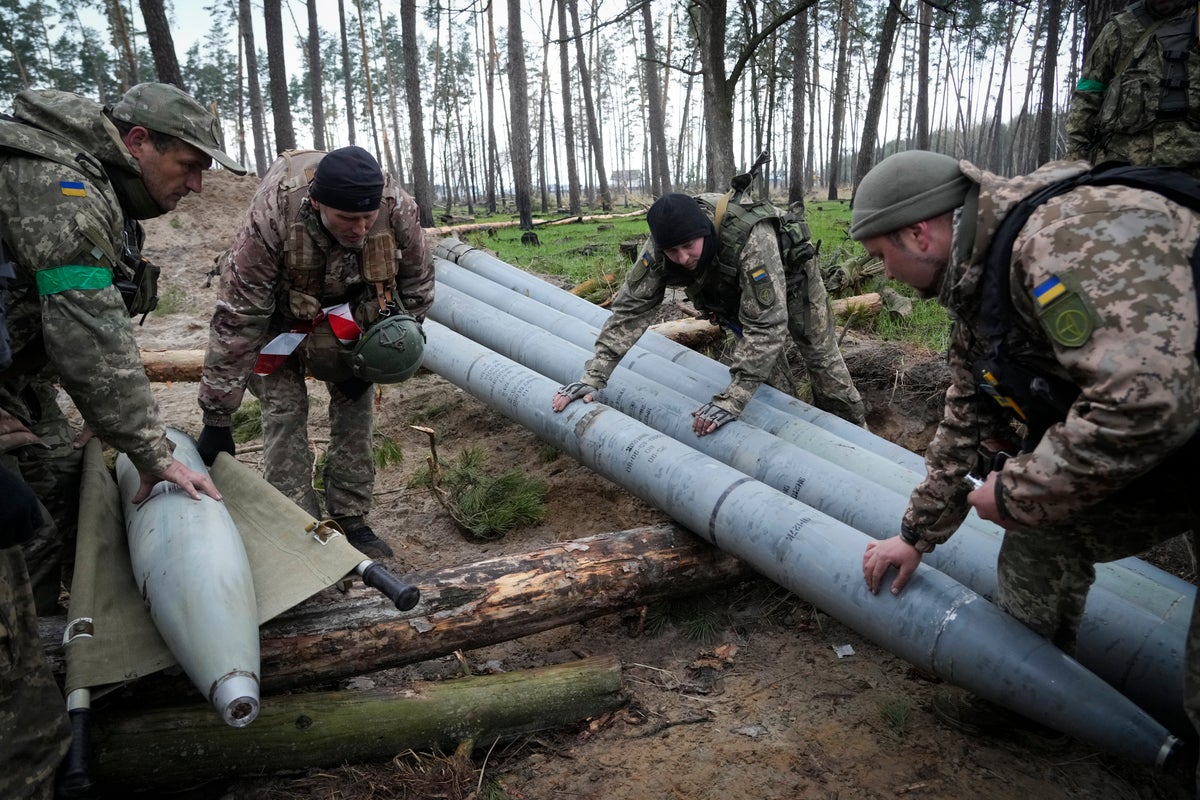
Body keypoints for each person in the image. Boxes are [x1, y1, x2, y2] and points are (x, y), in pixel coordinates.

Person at [849, 150, 1200, 762]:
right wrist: (915, 535)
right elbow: (969, 410)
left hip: (1174, 424)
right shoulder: (978, 276)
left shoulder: (1059, 240)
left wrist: (1018, 491)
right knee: (1045, 534)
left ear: (919, 231)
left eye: (882, 257)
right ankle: (1034, 708)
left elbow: (1146, 402)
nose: (884, 275)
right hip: (1182, 436)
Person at [0, 82, 238, 798]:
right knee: (17, 514)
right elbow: (89, 332)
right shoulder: (62, 185)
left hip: (19, 375)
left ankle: (44, 631)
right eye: (187, 166)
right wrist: (154, 453)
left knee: (49, 483)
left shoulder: (81, 176)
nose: (195, 186)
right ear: (137, 142)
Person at [196, 146, 434, 559]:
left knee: (356, 406)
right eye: (347, 218)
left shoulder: (395, 206)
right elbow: (239, 317)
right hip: (279, 318)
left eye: (367, 217)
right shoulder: (274, 213)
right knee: (284, 412)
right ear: (318, 202)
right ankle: (297, 524)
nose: (360, 229)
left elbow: (418, 287)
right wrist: (217, 416)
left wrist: (389, 345)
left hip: (353, 315)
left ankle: (351, 517)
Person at [551, 192, 866, 434]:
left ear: (704, 231)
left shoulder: (750, 237)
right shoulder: (662, 248)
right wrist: (595, 375)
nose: (683, 258)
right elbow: (630, 310)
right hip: (731, 289)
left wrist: (734, 398)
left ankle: (853, 436)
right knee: (768, 384)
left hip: (794, 281)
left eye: (689, 246)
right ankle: (790, 433)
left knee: (821, 357)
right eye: (673, 251)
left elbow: (767, 325)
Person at [1064, 0, 1200, 174]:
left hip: (1190, 174)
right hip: (1121, 172)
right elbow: (1086, 95)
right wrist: (1074, 164)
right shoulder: (1119, 29)